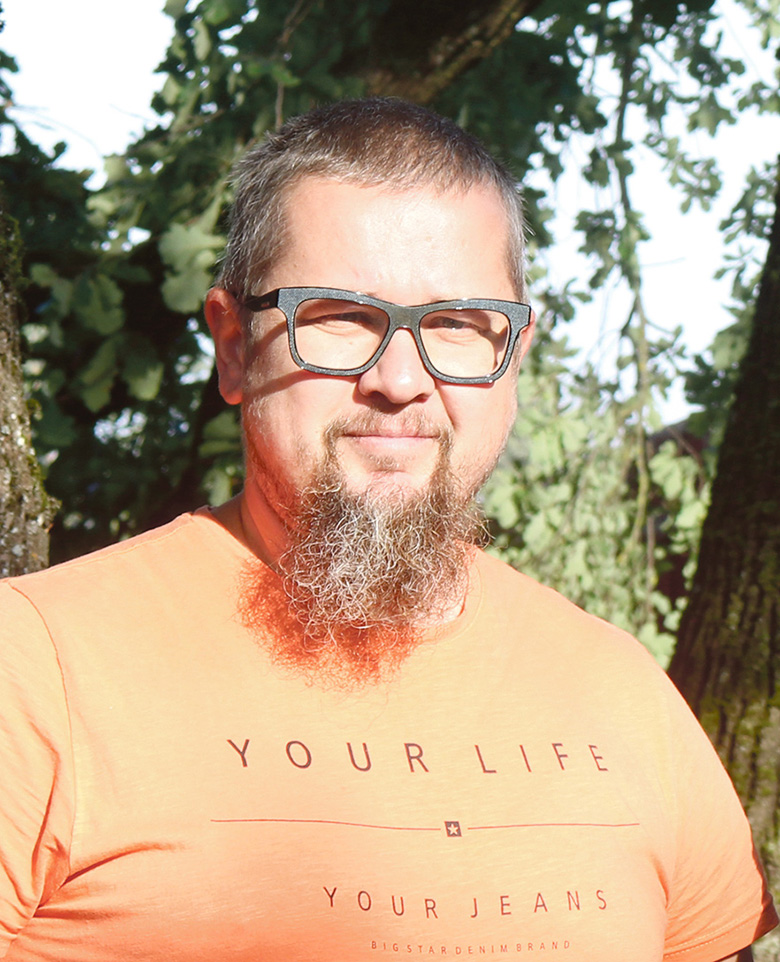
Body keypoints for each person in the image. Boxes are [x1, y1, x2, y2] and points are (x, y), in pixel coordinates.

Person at [0, 98, 775, 962]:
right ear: (235, 347)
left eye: (456, 324)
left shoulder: (624, 693)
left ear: (512, 359)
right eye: (341, 316)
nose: (400, 379)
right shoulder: (36, 669)